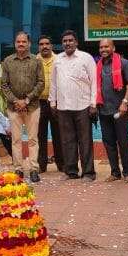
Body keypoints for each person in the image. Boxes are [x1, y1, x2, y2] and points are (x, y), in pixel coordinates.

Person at [50, 30, 97, 182]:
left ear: (76, 42)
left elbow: (94, 81)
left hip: (83, 105)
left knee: (85, 140)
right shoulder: (58, 60)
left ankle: (89, 172)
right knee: (67, 140)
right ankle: (71, 171)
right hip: (63, 106)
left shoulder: (86, 58)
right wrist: (53, 101)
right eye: (65, 41)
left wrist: (93, 103)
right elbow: (54, 82)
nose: (67, 43)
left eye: (70, 40)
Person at [2, 31, 45, 183]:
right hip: (14, 107)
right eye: (18, 41)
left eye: (24, 41)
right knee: (16, 140)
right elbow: (4, 85)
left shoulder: (36, 61)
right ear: (15, 43)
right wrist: (16, 102)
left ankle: (34, 169)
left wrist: (26, 100)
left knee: (33, 139)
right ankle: (18, 169)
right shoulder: (7, 61)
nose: (21, 44)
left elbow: (41, 83)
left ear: (29, 43)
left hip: (32, 106)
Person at [96, 39, 128, 183]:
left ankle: (127, 173)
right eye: (101, 47)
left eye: (106, 46)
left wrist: (125, 102)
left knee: (123, 141)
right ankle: (115, 172)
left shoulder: (123, 63)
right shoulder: (98, 65)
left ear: (113, 48)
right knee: (109, 142)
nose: (103, 49)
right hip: (103, 110)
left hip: (120, 110)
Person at [37, 35, 64, 173]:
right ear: (38, 46)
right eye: (41, 44)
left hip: (56, 102)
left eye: (47, 43)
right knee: (39, 135)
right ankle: (41, 165)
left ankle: (61, 164)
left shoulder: (59, 60)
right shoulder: (34, 60)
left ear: (51, 46)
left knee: (58, 134)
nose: (44, 46)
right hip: (39, 102)